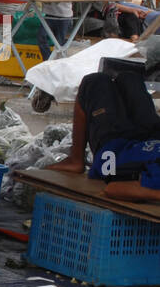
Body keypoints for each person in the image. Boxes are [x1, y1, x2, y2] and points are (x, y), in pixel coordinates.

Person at [46, 42, 160, 202]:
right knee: (129, 78)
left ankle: (76, 160)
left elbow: (114, 189)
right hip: (151, 139)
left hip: (115, 149)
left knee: (93, 82)